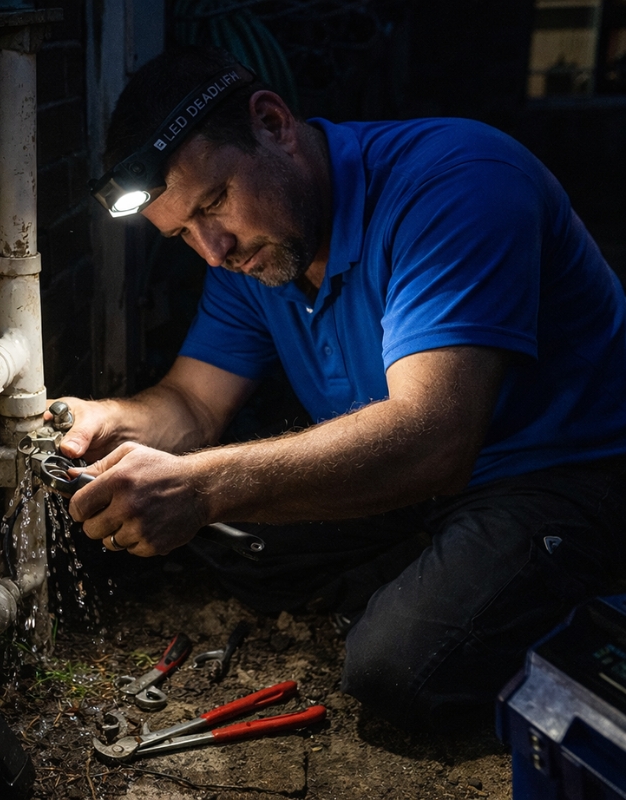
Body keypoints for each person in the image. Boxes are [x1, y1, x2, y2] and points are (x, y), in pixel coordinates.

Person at [49, 46, 626, 731]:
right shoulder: (253, 252)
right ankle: (449, 569)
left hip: (559, 474)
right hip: (423, 478)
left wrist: (201, 487)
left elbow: (435, 438)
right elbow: (194, 404)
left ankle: (577, 587)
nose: (214, 251)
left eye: (214, 202)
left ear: (273, 123)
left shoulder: (457, 183)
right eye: (183, 234)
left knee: (397, 669)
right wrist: (105, 417)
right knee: (233, 544)